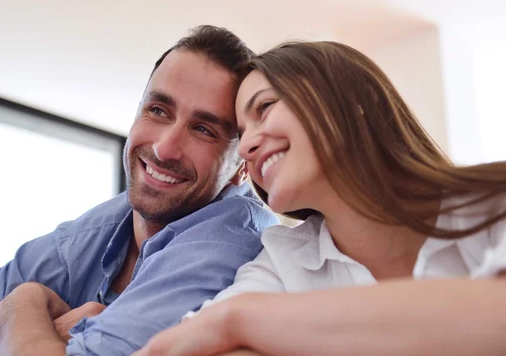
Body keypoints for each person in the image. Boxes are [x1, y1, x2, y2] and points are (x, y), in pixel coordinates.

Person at [0, 25, 279, 356]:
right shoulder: (95, 231)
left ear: (240, 169)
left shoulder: (230, 243)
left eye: (203, 130)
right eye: (158, 110)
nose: (165, 148)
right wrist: (34, 338)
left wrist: (22, 305)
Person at [135, 41, 506, 356]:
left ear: (347, 101)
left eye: (265, 108)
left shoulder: (494, 202)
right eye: (244, 132)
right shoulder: (283, 260)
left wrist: (237, 320)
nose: (246, 146)